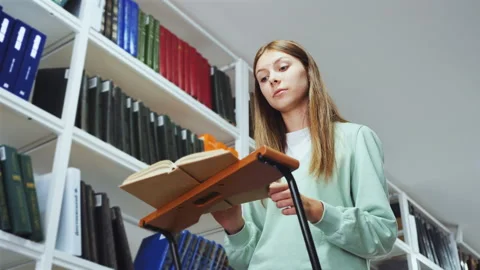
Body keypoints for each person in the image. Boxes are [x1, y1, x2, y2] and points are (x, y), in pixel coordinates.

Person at [211, 40, 398, 270]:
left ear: (308, 71)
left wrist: (318, 211)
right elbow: (244, 262)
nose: (273, 80)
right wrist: (234, 226)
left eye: (282, 68)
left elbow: (381, 234)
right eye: (263, 78)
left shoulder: (354, 138)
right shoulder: (258, 163)